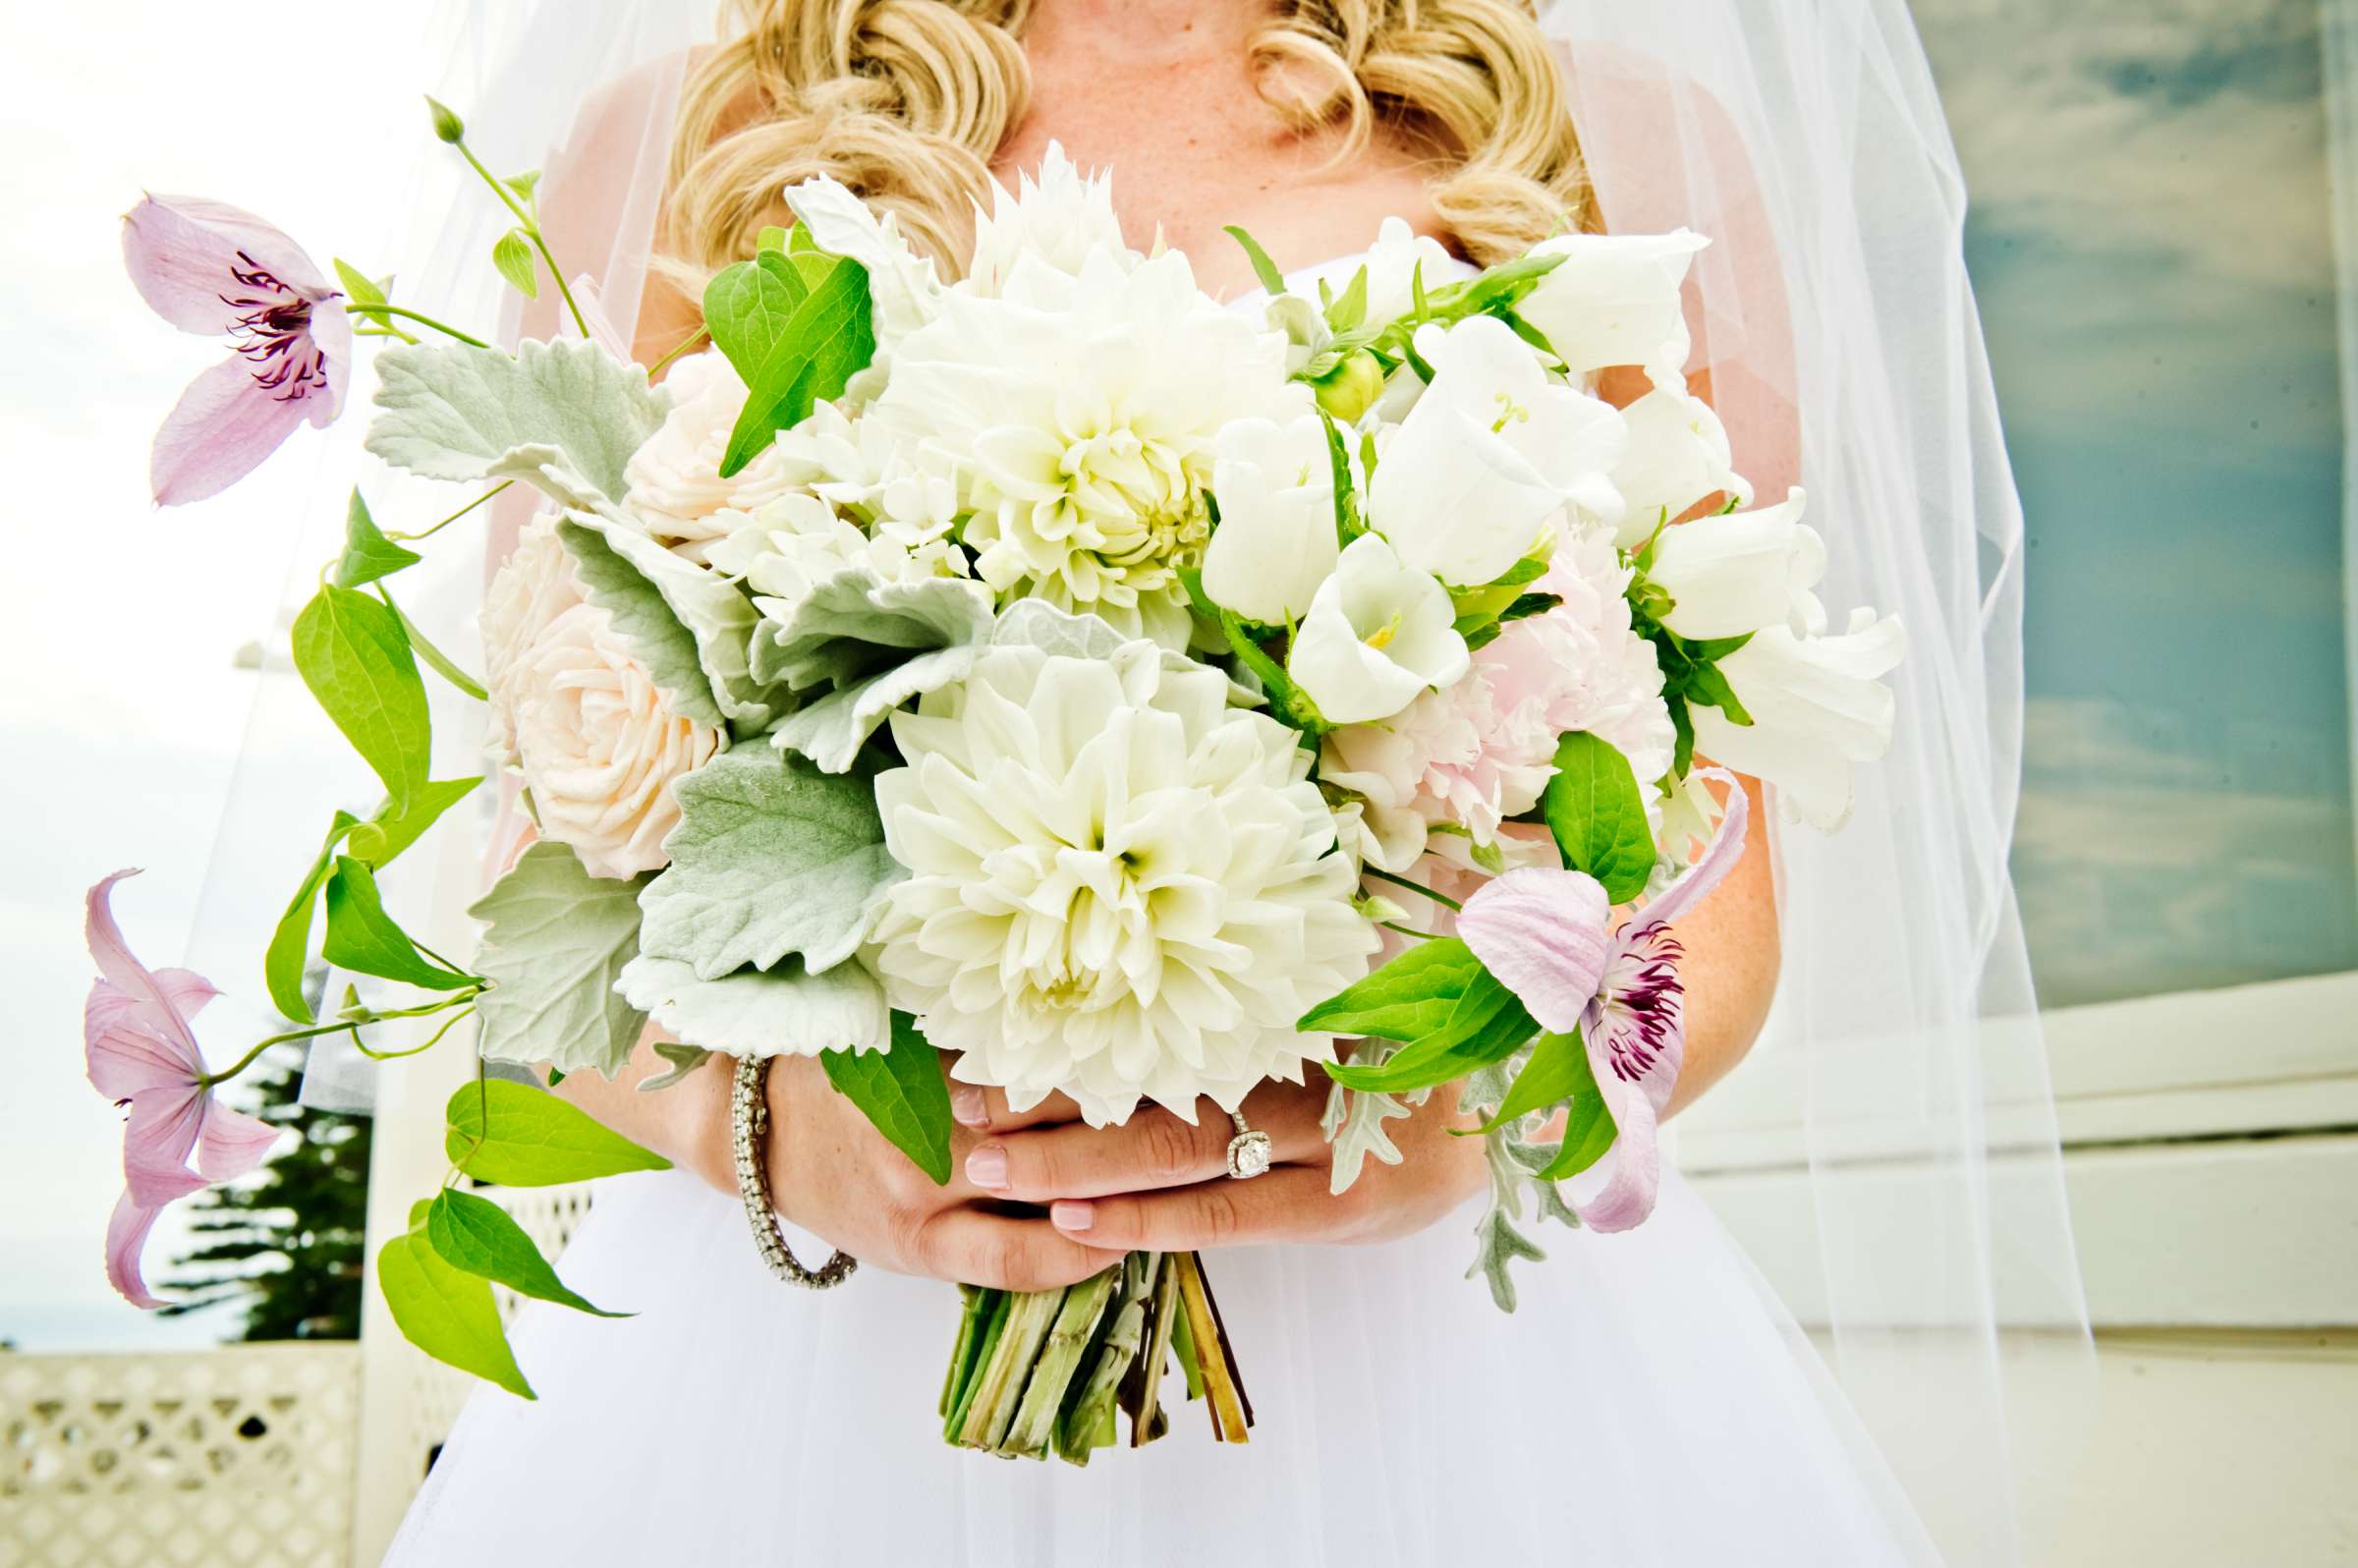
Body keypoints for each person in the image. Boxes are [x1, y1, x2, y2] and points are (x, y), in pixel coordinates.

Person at [386, 2, 2085, 1562]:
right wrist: (760, 1129)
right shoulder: (698, 133)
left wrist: (1463, 1123)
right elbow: (549, 846)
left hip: (1427, 1351)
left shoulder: (1607, 140)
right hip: (827, 1352)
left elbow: (1709, 882)